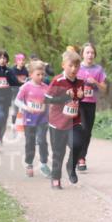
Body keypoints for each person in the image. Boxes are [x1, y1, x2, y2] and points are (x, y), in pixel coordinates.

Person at [44, 50, 86, 189]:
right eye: (71, 66)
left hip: (74, 120)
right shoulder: (57, 81)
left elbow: (78, 97)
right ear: (63, 65)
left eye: (76, 66)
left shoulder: (80, 81)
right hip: (57, 122)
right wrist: (64, 97)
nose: (74, 69)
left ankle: (70, 166)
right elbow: (47, 99)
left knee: (78, 144)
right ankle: (56, 178)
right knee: (58, 151)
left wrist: (80, 96)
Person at [74, 42, 108, 171]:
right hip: (79, 103)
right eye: (87, 52)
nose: (90, 55)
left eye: (92, 52)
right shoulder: (77, 67)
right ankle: (80, 158)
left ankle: (81, 156)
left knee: (87, 132)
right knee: (83, 128)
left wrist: (96, 83)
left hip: (91, 103)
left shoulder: (98, 69)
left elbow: (104, 88)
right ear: (82, 54)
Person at [14, 59, 51, 177]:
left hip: (42, 120)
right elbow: (17, 101)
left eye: (42, 74)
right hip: (29, 120)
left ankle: (44, 164)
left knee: (42, 141)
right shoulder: (25, 87)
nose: (41, 77)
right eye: (38, 74)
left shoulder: (46, 87)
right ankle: (29, 164)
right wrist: (26, 107)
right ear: (31, 74)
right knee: (30, 142)